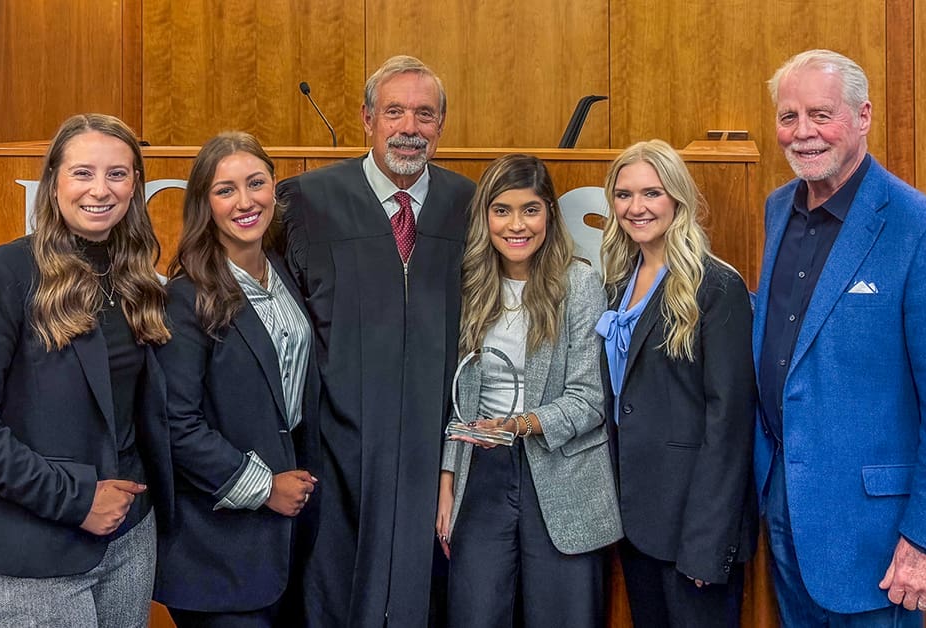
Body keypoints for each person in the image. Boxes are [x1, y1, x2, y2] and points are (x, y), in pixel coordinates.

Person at [755, 49, 926, 626]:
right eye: (788, 117)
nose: (803, 133)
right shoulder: (778, 208)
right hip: (784, 511)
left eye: (821, 114)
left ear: (863, 117)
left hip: (878, 541)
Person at [0, 113, 173, 627]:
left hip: (131, 541)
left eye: (117, 173)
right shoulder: (1, 274)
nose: (100, 189)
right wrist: (77, 500)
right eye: (82, 172)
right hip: (35, 549)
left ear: (135, 185)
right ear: (53, 183)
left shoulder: (137, 284)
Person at [278, 55, 476, 627]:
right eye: (394, 112)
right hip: (336, 445)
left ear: (441, 124)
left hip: (433, 445)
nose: (409, 128)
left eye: (424, 114)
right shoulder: (307, 203)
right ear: (367, 119)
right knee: (333, 586)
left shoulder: (470, 206)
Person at [436, 154, 622, 628]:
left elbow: (590, 399)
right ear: (485, 217)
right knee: (474, 613)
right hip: (481, 472)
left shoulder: (579, 284)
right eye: (502, 210)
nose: (516, 225)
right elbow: (448, 397)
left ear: (549, 215)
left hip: (562, 469)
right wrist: (447, 480)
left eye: (530, 209)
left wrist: (520, 424)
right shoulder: (467, 286)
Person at [153, 132, 321, 627]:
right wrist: (264, 487)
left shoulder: (284, 273)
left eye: (256, 183)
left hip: (285, 541)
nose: (246, 201)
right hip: (216, 548)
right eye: (226, 190)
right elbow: (175, 424)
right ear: (205, 203)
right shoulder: (187, 297)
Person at [596, 140, 757, 627]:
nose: (636, 207)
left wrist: (708, 544)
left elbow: (728, 423)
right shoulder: (617, 279)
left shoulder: (716, 286)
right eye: (624, 195)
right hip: (636, 517)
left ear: (677, 199)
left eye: (652, 193)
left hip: (693, 527)